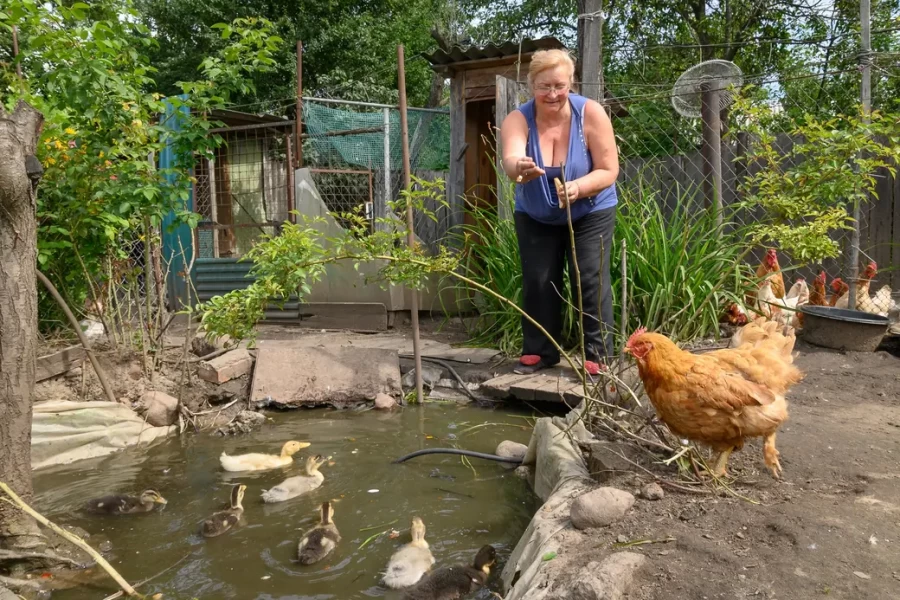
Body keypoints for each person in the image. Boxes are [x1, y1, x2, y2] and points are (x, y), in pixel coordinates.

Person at [499, 48, 620, 376]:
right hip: (535, 212)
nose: (551, 94)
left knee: (590, 278)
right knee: (539, 280)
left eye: (559, 86)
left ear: (571, 83)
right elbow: (510, 160)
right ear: (531, 85)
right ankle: (540, 352)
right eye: (543, 87)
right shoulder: (518, 118)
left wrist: (579, 187)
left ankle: (598, 356)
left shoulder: (591, 114)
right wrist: (519, 166)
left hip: (591, 208)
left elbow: (609, 170)